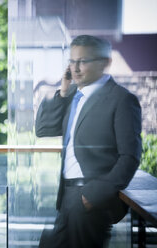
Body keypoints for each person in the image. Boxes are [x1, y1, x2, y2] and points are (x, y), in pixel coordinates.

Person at [35, 35, 142, 247]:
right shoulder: (73, 95)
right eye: (72, 61)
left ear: (105, 63)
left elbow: (130, 157)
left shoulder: (121, 99)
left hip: (91, 198)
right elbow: (43, 129)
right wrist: (63, 91)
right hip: (66, 195)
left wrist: (93, 196)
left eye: (83, 61)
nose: (75, 68)